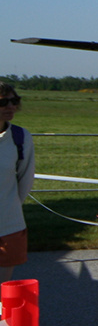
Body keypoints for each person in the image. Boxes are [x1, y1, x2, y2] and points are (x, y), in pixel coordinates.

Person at [0, 83, 33, 268]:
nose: (10, 106)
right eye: (3, 102)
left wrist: (10, 206)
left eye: (14, 101)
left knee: (5, 292)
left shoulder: (20, 137)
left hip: (10, 226)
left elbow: (25, 179)